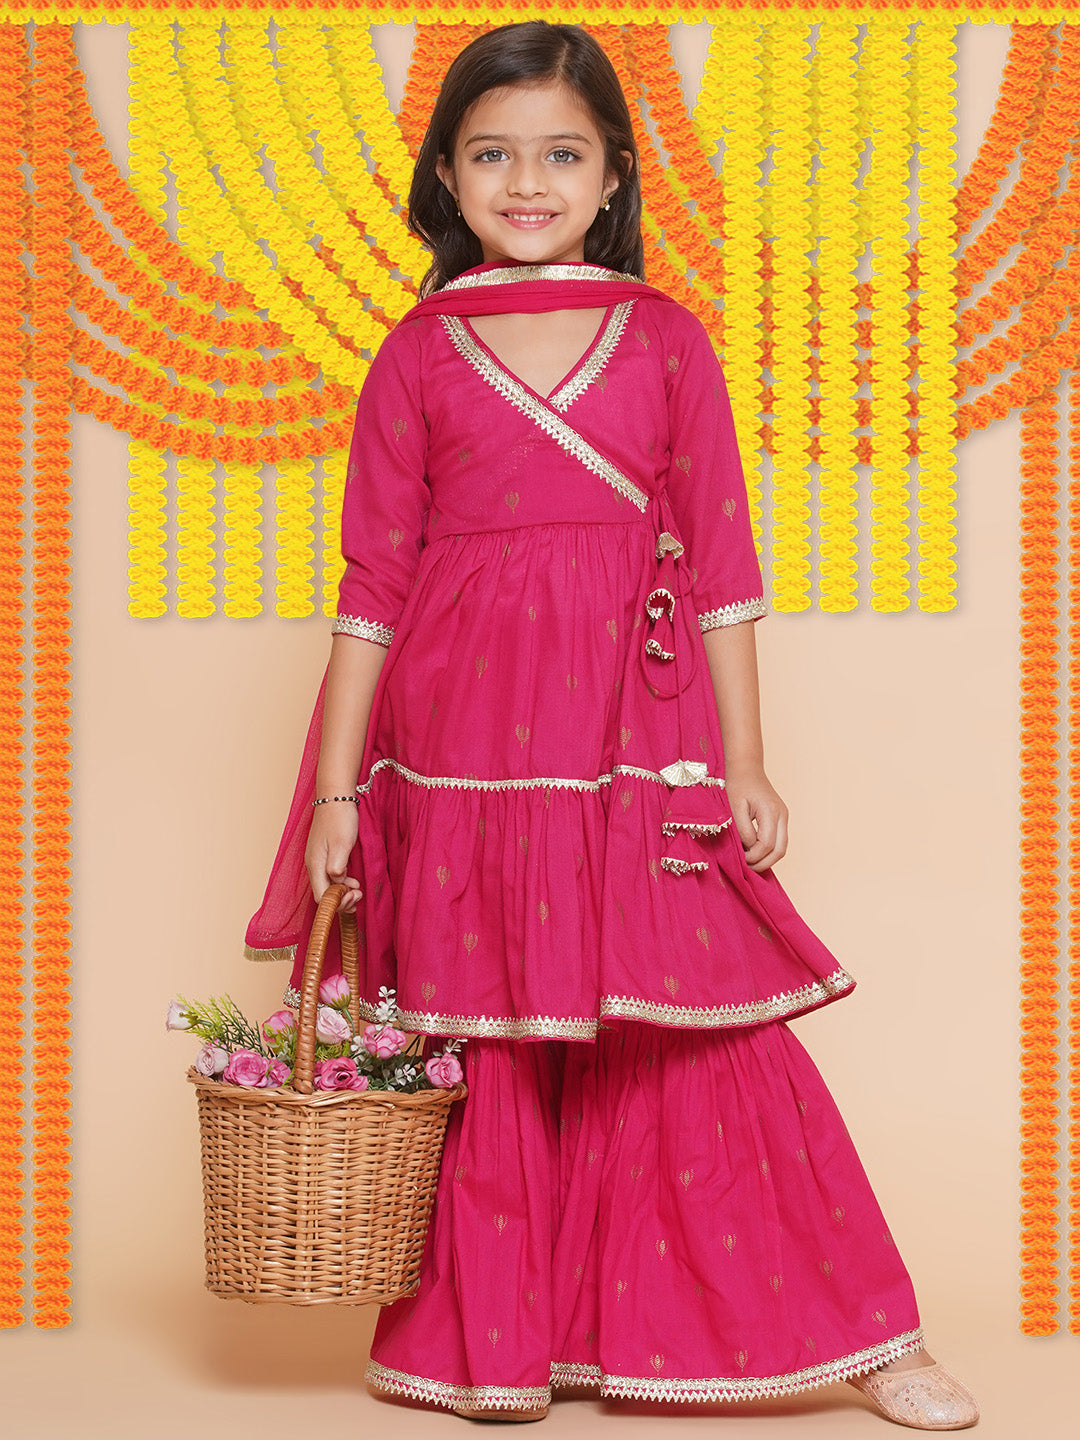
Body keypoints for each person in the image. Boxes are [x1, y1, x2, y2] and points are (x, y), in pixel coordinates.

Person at [245, 20, 979, 1431]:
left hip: (638, 733)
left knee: (696, 1025)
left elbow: (721, 565)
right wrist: (338, 792)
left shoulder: (665, 339)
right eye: (493, 154)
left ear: (613, 175)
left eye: (561, 155)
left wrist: (746, 762)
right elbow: (371, 589)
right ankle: (508, 1346)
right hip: (459, 748)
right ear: (446, 175)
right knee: (495, 1036)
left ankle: (868, 1339)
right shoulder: (416, 354)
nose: (528, 183)